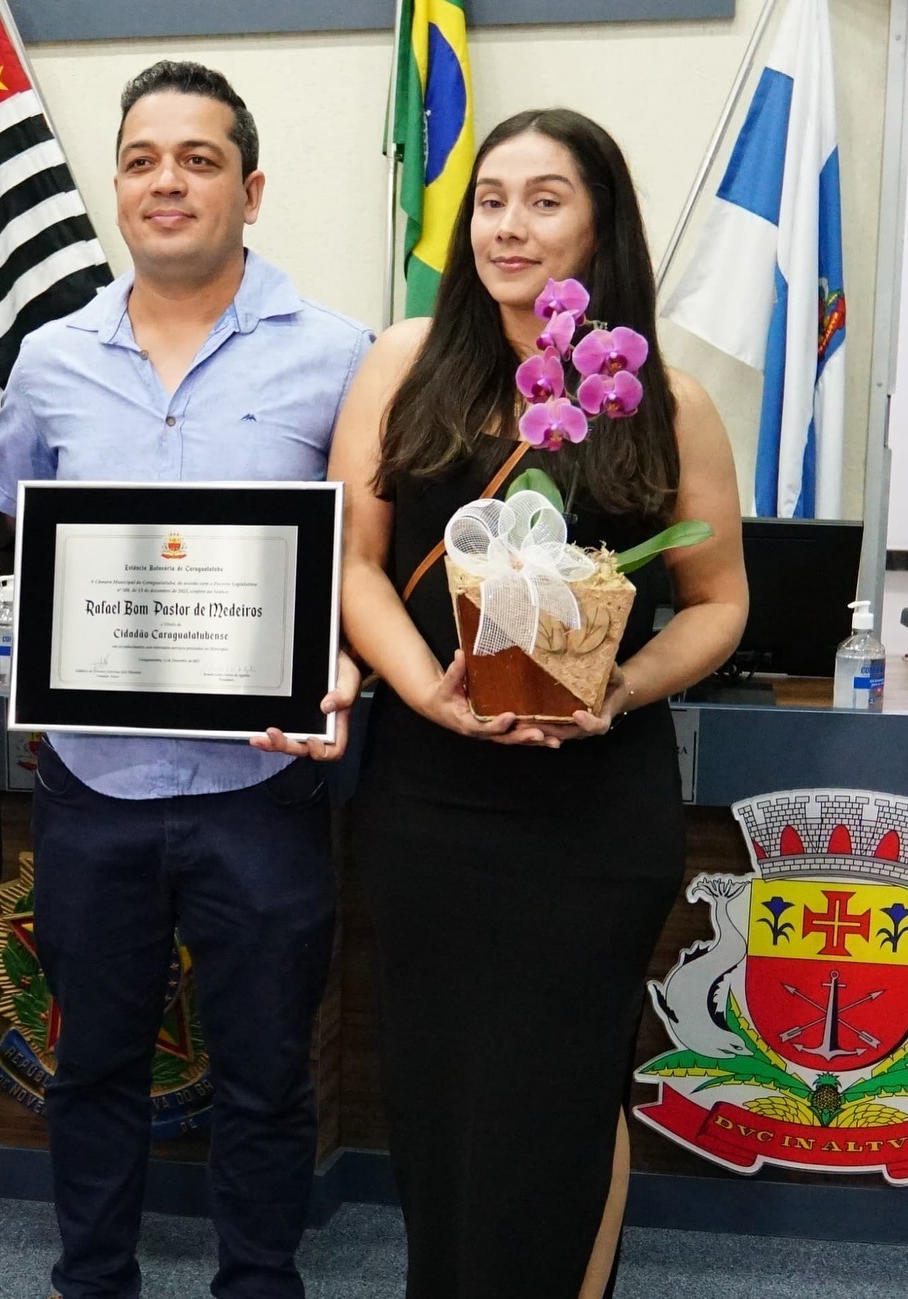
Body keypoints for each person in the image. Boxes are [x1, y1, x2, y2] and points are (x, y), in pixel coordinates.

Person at [331, 108, 748, 1298]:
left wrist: (619, 683)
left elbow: (718, 604)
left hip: (591, 816)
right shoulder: (404, 362)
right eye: (491, 199)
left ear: (601, 226)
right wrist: (428, 690)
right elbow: (356, 562)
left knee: (557, 1101)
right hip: (431, 802)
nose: (509, 227)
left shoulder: (664, 399)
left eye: (546, 199)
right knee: (440, 1097)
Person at [0, 60, 373, 1299]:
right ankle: (92, 1279)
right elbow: (15, 535)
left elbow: (368, 551)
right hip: (94, 788)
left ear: (249, 189)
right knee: (92, 1065)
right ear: (116, 186)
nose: (168, 182)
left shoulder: (342, 357)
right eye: (144, 159)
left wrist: (349, 653)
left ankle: (259, 1281)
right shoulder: (48, 363)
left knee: (266, 1074)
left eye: (198, 160)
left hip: (261, 790)